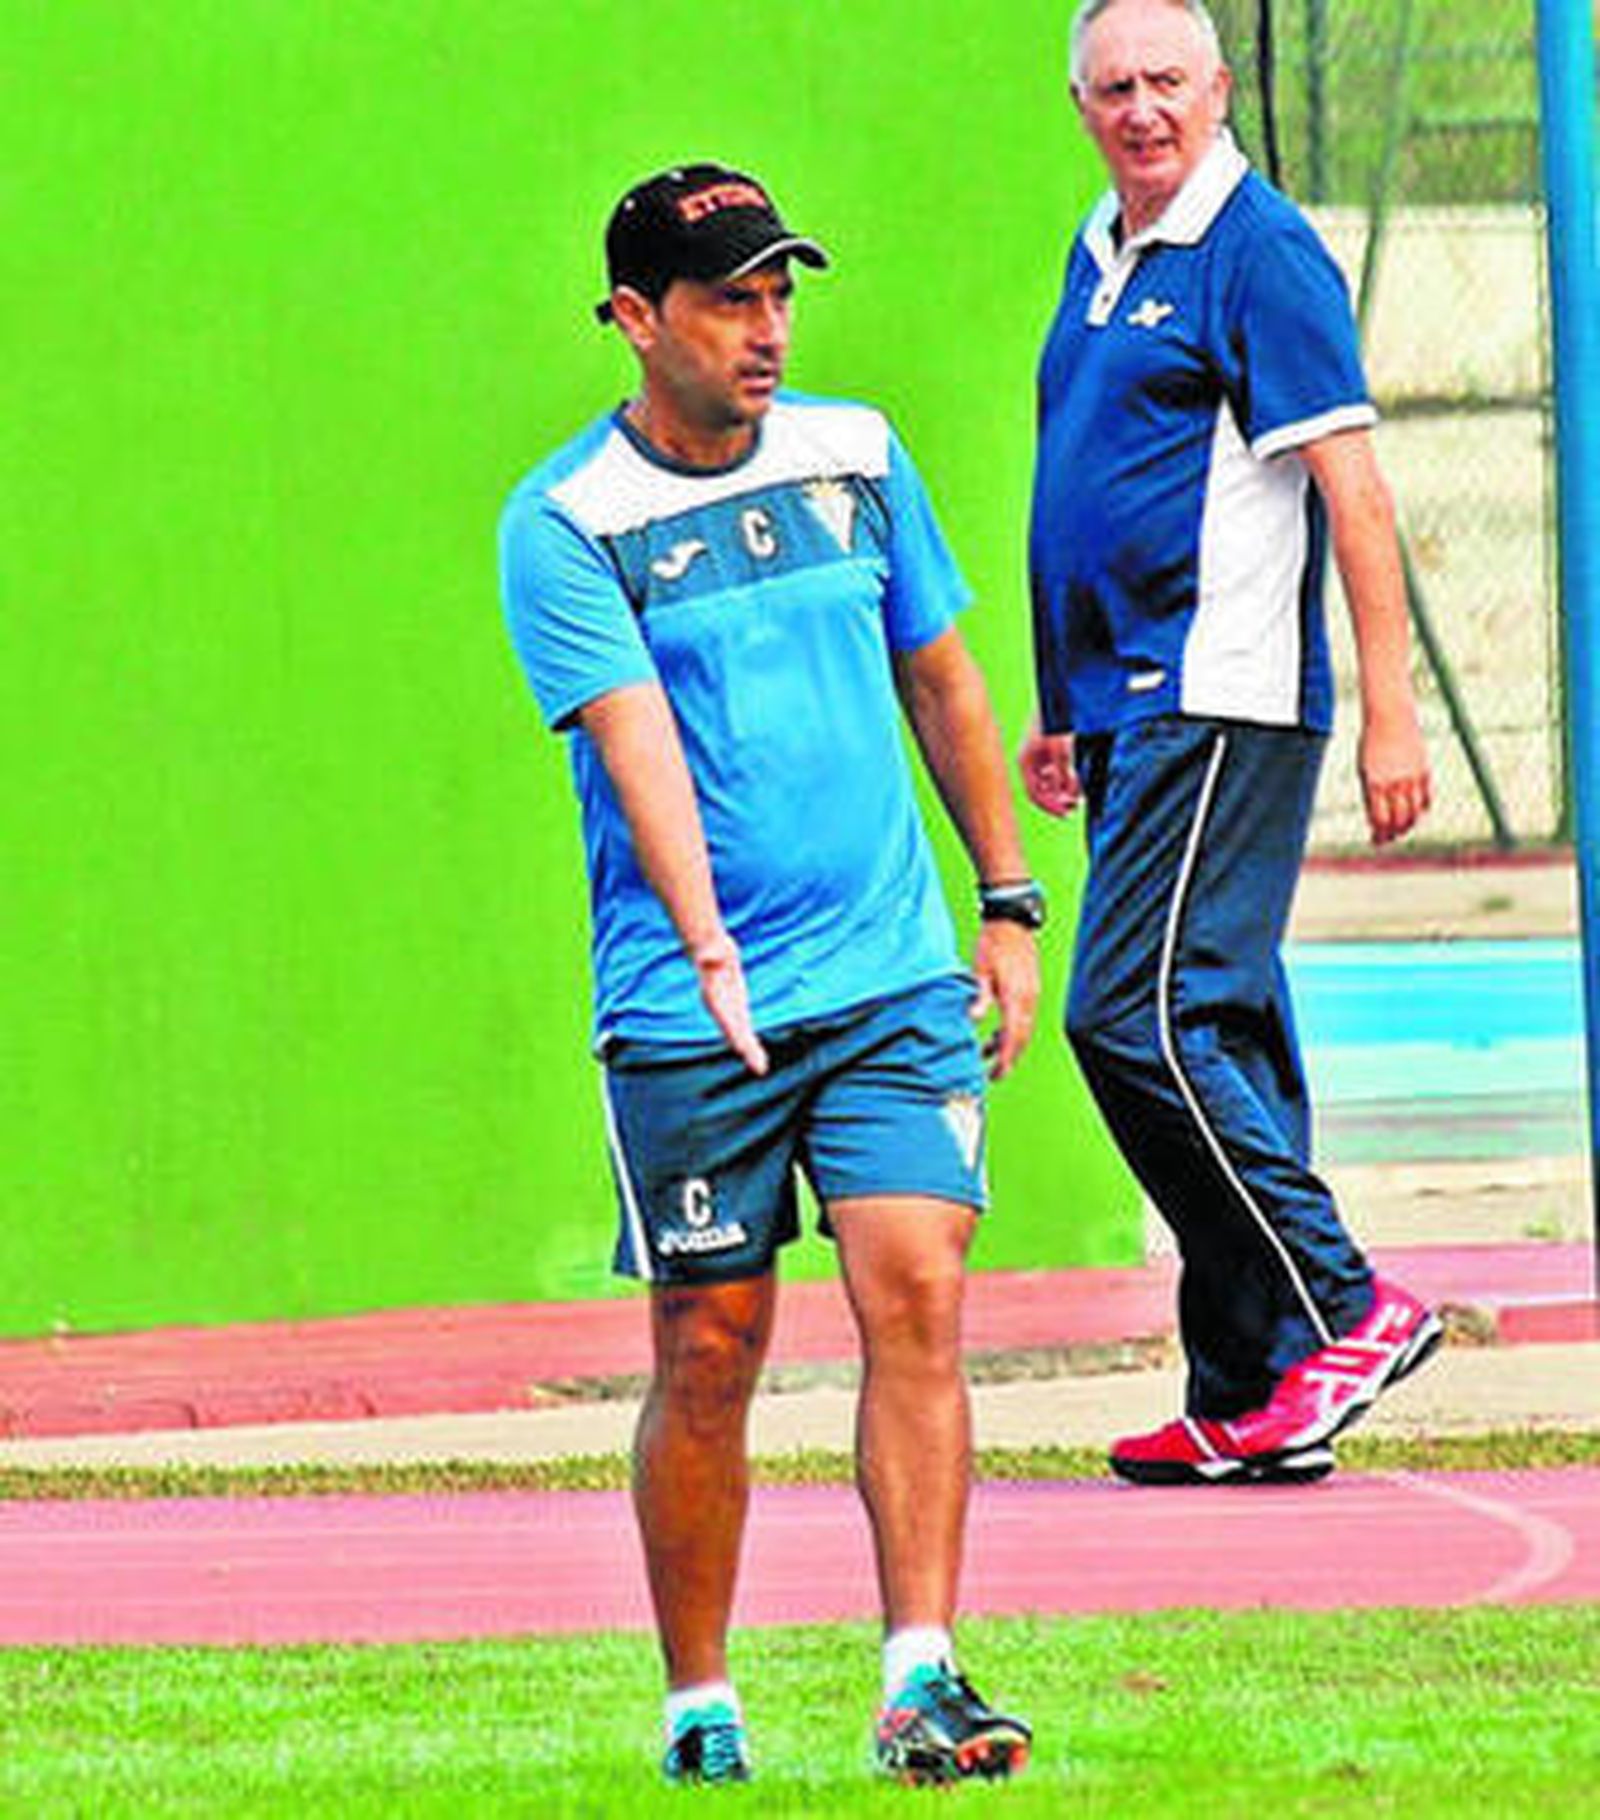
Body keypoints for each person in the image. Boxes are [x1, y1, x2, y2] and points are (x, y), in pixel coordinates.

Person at [500, 162, 1042, 1785]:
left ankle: (921, 1680)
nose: (768, 329)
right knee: (712, 1346)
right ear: (634, 318)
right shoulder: (566, 522)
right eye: (729, 300)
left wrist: (1007, 901)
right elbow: (637, 745)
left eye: (780, 293)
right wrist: (710, 944)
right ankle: (700, 1703)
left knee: (918, 1290)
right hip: (692, 1011)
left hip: (888, 979)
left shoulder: (858, 457)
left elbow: (943, 681)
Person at [1021, 0, 1442, 1487]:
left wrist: (1392, 707)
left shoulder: (1259, 252)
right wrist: (1058, 701)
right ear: (1081, 105)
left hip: (1219, 695)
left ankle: (1347, 1304)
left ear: (1217, 90)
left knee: (1130, 1016)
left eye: (1168, 82)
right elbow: (1080, 482)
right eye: (1114, 88)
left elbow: (1354, 491)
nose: (1143, 109)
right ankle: (1252, 1388)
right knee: (1228, 1027)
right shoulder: (1100, 250)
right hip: (1121, 707)